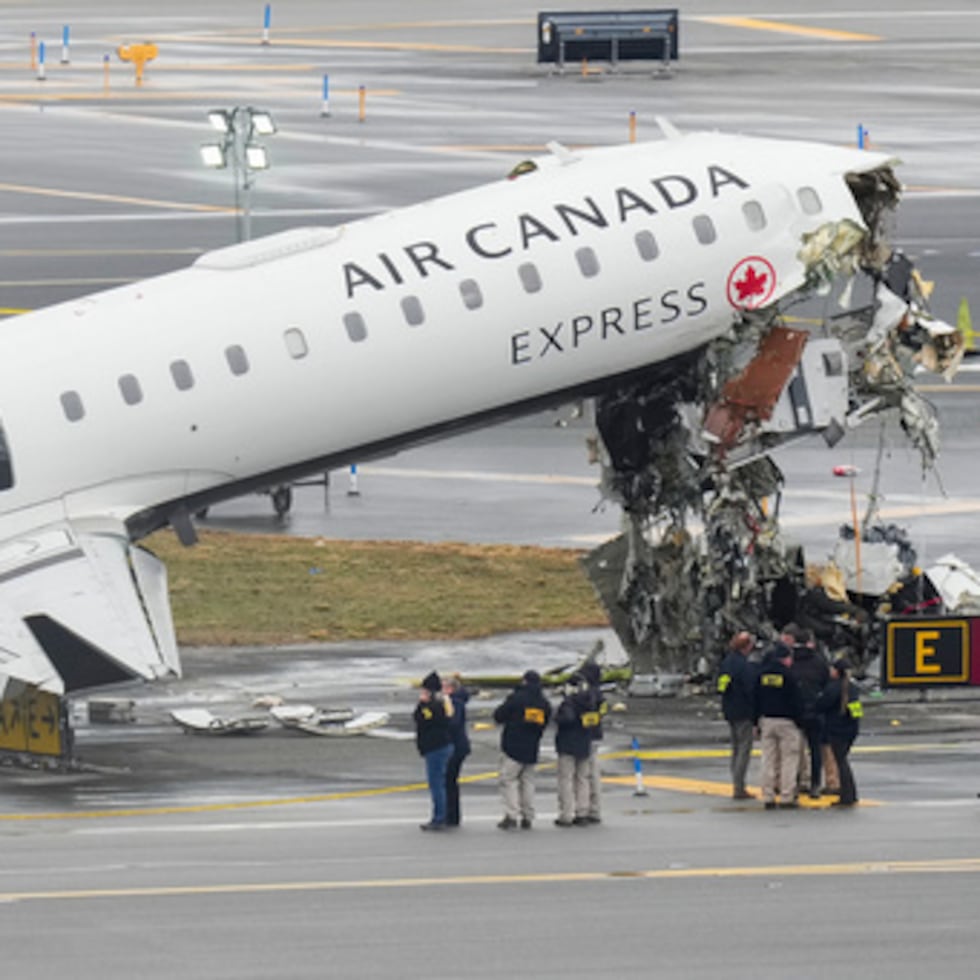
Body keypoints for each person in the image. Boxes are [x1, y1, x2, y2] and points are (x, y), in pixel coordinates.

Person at [493, 669, 552, 830]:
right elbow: (544, 723)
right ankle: (528, 815)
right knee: (528, 782)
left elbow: (499, 715)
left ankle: (511, 815)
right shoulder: (543, 703)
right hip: (532, 745)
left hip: (513, 745)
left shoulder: (516, 699)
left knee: (509, 780)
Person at [754, 640, 804, 809]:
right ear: (785, 658)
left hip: (767, 720)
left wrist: (756, 721)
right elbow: (796, 701)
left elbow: (756, 699)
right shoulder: (789, 676)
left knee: (768, 759)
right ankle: (786, 796)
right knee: (789, 759)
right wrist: (800, 720)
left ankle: (768, 795)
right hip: (787, 721)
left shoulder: (762, 674)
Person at [786, 623, 830, 798]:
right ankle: (815, 784)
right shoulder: (819, 662)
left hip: (795, 711)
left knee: (795, 750)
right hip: (816, 710)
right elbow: (826, 684)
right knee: (815, 750)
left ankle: (795, 783)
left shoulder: (791, 662)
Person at [717, 630, 757, 800]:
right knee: (743, 750)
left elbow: (721, 687)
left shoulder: (726, 663)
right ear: (747, 647)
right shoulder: (744, 666)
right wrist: (755, 715)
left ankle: (736, 782)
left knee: (735, 749)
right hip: (743, 712)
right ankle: (739, 787)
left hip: (730, 711)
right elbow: (750, 691)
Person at [815, 658, 861, 806]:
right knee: (843, 761)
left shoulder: (833, 688)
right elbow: (856, 713)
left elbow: (821, 705)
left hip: (835, 729)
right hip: (849, 730)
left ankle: (847, 795)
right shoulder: (853, 688)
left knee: (841, 763)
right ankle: (850, 793)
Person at [413, 670, 454, 831]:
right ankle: (443, 815)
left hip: (436, 747)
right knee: (440, 783)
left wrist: (423, 704)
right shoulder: (442, 702)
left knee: (436, 784)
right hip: (440, 745)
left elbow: (424, 719)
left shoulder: (435, 705)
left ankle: (439, 817)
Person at [554, 673, 597, 827]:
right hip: (584, 743)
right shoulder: (590, 702)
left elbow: (567, 719)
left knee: (566, 780)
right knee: (583, 779)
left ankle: (566, 814)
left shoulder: (569, 703)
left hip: (567, 744)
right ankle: (583, 812)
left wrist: (558, 716)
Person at [580, 660, 608, 823]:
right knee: (593, 773)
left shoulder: (589, 694)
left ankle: (589, 809)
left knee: (586, 774)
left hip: (587, 735)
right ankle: (595, 808)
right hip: (596, 734)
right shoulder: (600, 695)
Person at [443, 673, 470, 828]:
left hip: (456, 746)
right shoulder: (456, 701)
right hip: (457, 745)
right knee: (450, 781)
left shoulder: (455, 702)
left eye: (444, 687)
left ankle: (451, 815)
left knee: (449, 780)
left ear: (451, 689)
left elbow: (454, 723)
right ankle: (452, 814)